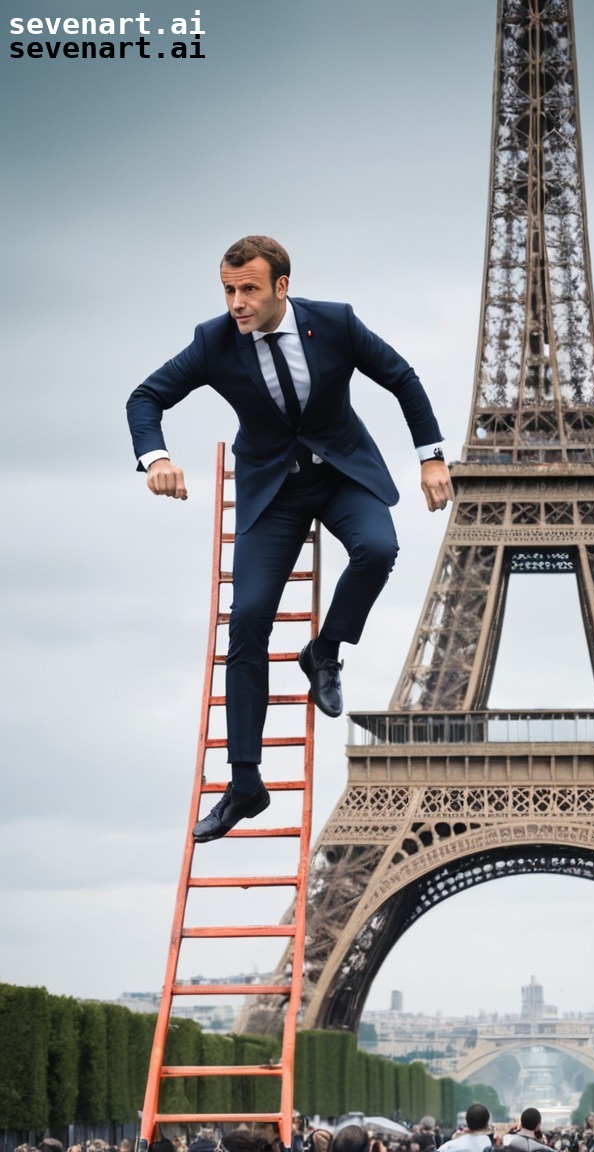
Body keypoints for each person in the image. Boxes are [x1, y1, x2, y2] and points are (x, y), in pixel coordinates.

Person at [127, 235, 453, 842]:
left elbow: (401, 377)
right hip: (274, 490)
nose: (237, 303)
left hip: (342, 474)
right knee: (247, 620)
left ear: (282, 286)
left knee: (379, 549)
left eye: (249, 289)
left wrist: (431, 457)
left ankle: (325, 650)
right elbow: (146, 397)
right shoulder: (213, 342)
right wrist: (155, 458)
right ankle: (245, 783)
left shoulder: (335, 323)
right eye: (228, 290)